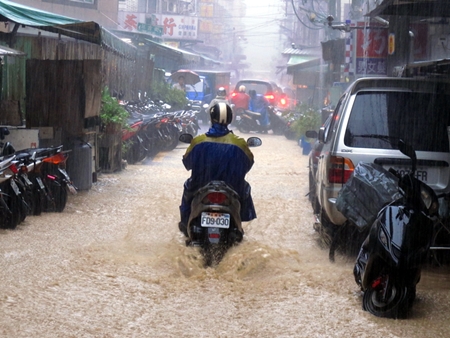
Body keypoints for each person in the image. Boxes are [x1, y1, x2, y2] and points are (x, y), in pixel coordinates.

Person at [179, 102, 257, 236]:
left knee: (187, 186)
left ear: (211, 117)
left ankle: (185, 223)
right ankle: (241, 220)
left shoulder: (198, 141)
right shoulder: (239, 143)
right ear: (230, 119)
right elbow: (248, 165)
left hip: (200, 186)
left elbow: (187, 163)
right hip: (233, 188)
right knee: (245, 188)